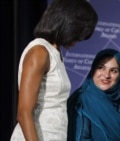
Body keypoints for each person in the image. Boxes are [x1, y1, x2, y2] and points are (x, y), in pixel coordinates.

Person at [10, 0, 98, 140]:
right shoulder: (39, 52)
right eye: (78, 33)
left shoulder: (55, 52)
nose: (78, 40)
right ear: (68, 24)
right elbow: (23, 112)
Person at [67, 48, 120, 141]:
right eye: (101, 67)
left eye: (113, 70)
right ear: (93, 70)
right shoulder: (81, 101)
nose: (106, 75)